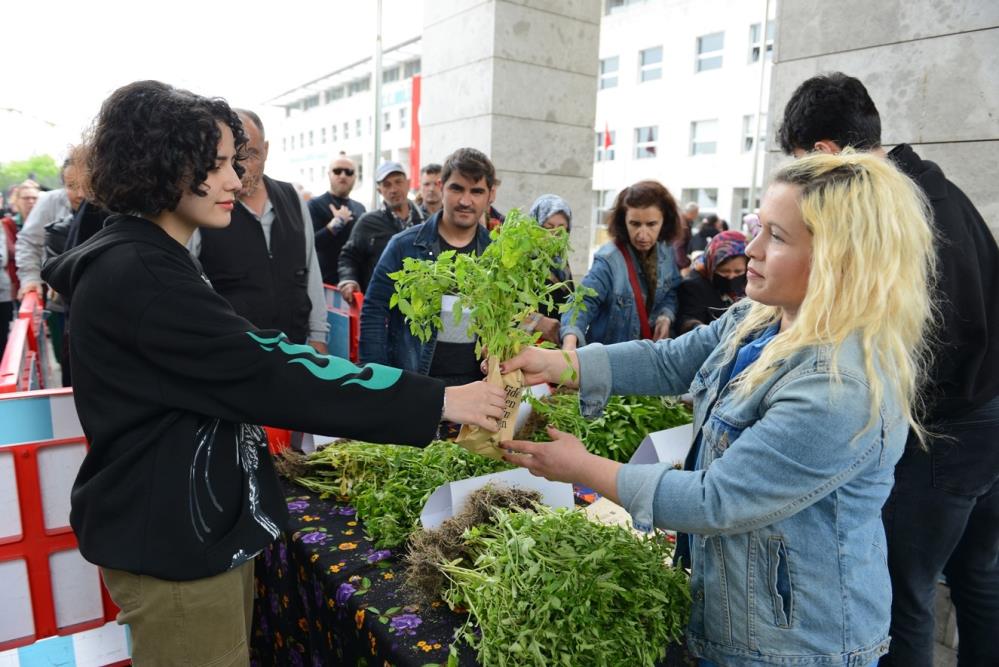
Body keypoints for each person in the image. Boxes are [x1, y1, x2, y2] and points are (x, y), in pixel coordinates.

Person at [40, 80, 506, 666]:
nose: (236, 180)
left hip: (189, 527)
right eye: (216, 165)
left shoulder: (148, 259)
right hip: (174, 541)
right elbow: (271, 368)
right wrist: (440, 401)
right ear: (162, 167)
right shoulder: (144, 277)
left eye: (235, 162)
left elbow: (252, 356)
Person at [499, 151, 936, 666]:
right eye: (759, 227)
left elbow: (716, 502)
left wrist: (581, 467)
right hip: (740, 613)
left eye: (776, 236)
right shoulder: (764, 314)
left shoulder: (839, 386)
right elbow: (671, 362)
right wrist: (563, 365)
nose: (750, 248)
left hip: (793, 644)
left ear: (841, 258)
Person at [778, 72, 999, 667]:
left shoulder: (900, 212)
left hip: (948, 433)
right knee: (978, 578)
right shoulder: (936, 187)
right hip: (987, 418)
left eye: (803, 171)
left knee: (905, 593)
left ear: (826, 154)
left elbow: (922, 348)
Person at [190, 110, 329, 353]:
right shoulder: (206, 207)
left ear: (266, 149)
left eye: (251, 154)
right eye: (235, 157)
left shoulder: (292, 199)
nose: (241, 169)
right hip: (233, 355)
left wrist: (318, 337)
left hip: (294, 352)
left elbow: (311, 272)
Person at [359, 148, 493, 387]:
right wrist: (376, 382)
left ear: (490, 195)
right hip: (416, 386)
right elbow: (374, 313)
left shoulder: (495, 255)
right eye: (457, 188)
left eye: (476, 191)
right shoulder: (404, 246)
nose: (465, 200)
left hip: (475, 388)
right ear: (441, 187)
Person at [560, 180, 681, 350]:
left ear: (664, 221)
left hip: (652, 359)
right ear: (623, 221)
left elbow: (672, 292)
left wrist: (665, 316)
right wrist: (570, 341)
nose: (643, 234)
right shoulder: (608, 259)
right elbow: (582, 302)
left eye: (652, 224)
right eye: (635, 224)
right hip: (612, 362)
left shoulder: (667, 251)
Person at [337, 161, 424, 304]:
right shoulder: (368, 222)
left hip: (419, 307)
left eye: (398, 182)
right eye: (387, 184)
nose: (394, 189)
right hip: (381, 305)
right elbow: (348, 256)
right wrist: (348, 280)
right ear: (379, 190)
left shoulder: (425, 221)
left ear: (408, 184)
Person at [308, 154, 366, 285]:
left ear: (355, 177)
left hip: (355, 283)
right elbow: (309, 244)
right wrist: (335, 225)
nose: (343, 175)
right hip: (325, 284)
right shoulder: (314, 205)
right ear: (329, 174)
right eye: (337, 171)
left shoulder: (360, 208)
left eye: (349, 172)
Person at [676, 230, 747, 334]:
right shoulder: (694, 286)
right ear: (711, 266)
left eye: (738, 271)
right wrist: (700, 328)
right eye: (724, 271)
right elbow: (686, 319)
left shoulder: (749, 284)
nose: (732, 277)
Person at [528, 193, 575, 344]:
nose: (555, 234)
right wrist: (538, 323)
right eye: (548, 227)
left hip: (556, 345)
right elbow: (508, 311)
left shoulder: (561, 263)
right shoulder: (522, 261)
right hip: (526, 346)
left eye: (561, 228)